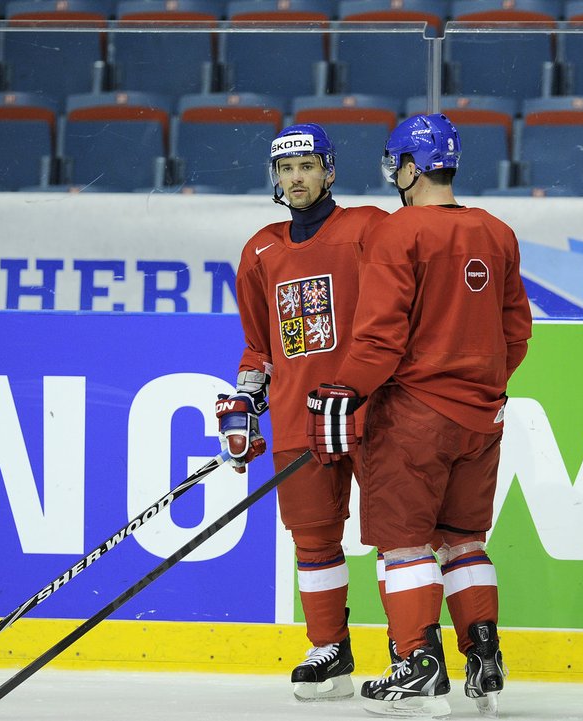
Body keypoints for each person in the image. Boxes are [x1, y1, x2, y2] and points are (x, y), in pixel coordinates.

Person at [304, 113, 533, 718]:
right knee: (463, 541)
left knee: (404, 546)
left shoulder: (398, 232)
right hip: (481, 418)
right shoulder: (497, 231)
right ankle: (483, 656)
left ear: (409, 167)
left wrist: (341, 391)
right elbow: (517, 333)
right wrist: (479, 386)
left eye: (396, 163)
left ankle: (418, 665)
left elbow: (378, 339)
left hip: (412, 417)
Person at [215, 123, 388, 702]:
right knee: (312, 538)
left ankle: (411, 650)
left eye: (307, 167)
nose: (296, 178)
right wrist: (245, 401)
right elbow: (259, 346)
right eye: (286, 169)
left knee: (399, 534)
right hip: (296, 417)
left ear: (330, 171)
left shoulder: (369, 228)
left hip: (369, 411)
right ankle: (329, 650)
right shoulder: (260, 248)